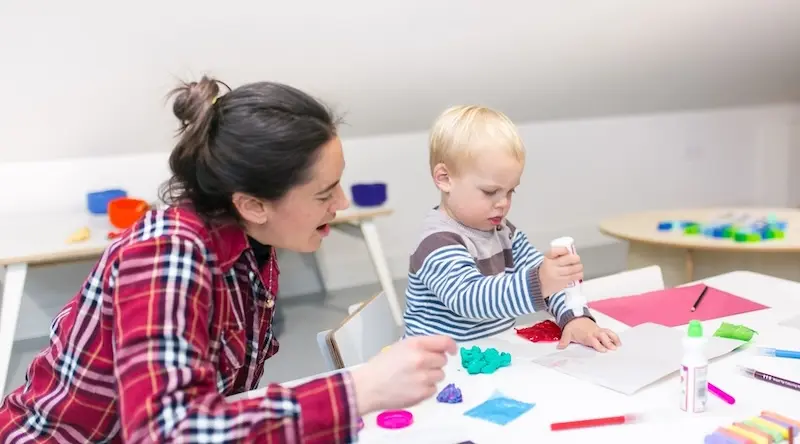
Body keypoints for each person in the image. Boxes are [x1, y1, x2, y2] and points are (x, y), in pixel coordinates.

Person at [0, 76, 456, 443]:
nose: (339, 203)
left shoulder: (252, 243)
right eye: (323, 193)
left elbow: (221, 400)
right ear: (253, 204)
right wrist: (360, 389)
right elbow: (169, 430)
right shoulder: (166, 253)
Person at [403, 105, 622, 351]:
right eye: (490, 192)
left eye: (510, 191)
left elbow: (543, 278)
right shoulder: (437, 241)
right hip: (434, 368)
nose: (503, 203)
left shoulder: (504, 232)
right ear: (444, 179)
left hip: (488, 356)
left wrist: (575, 317)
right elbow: (470, 300)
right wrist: (540, 282)